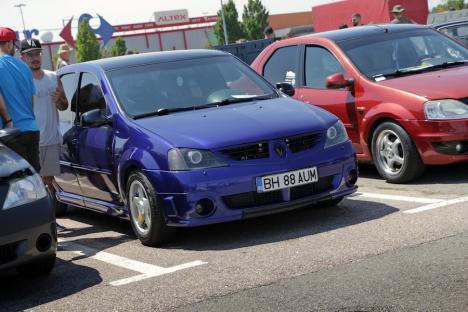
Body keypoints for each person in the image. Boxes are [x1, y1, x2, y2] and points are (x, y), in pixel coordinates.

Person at [20, 38, 68, 192]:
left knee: (49, 181)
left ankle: (49, 214)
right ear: (23, 57)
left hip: (52, 138)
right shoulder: (22, 81)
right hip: (33, 141)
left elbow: (65, 106)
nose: (35, 58)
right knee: (36, 182)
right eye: (30, 55)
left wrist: (59, 99)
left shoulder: (54, 77)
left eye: (37, 54)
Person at [0, 27, 40, 172]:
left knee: (19, 181)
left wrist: (8, 121)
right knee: (35, 175)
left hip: (11, 132)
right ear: (9, 44)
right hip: (32, 129)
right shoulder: (24, 68)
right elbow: (31, 100)